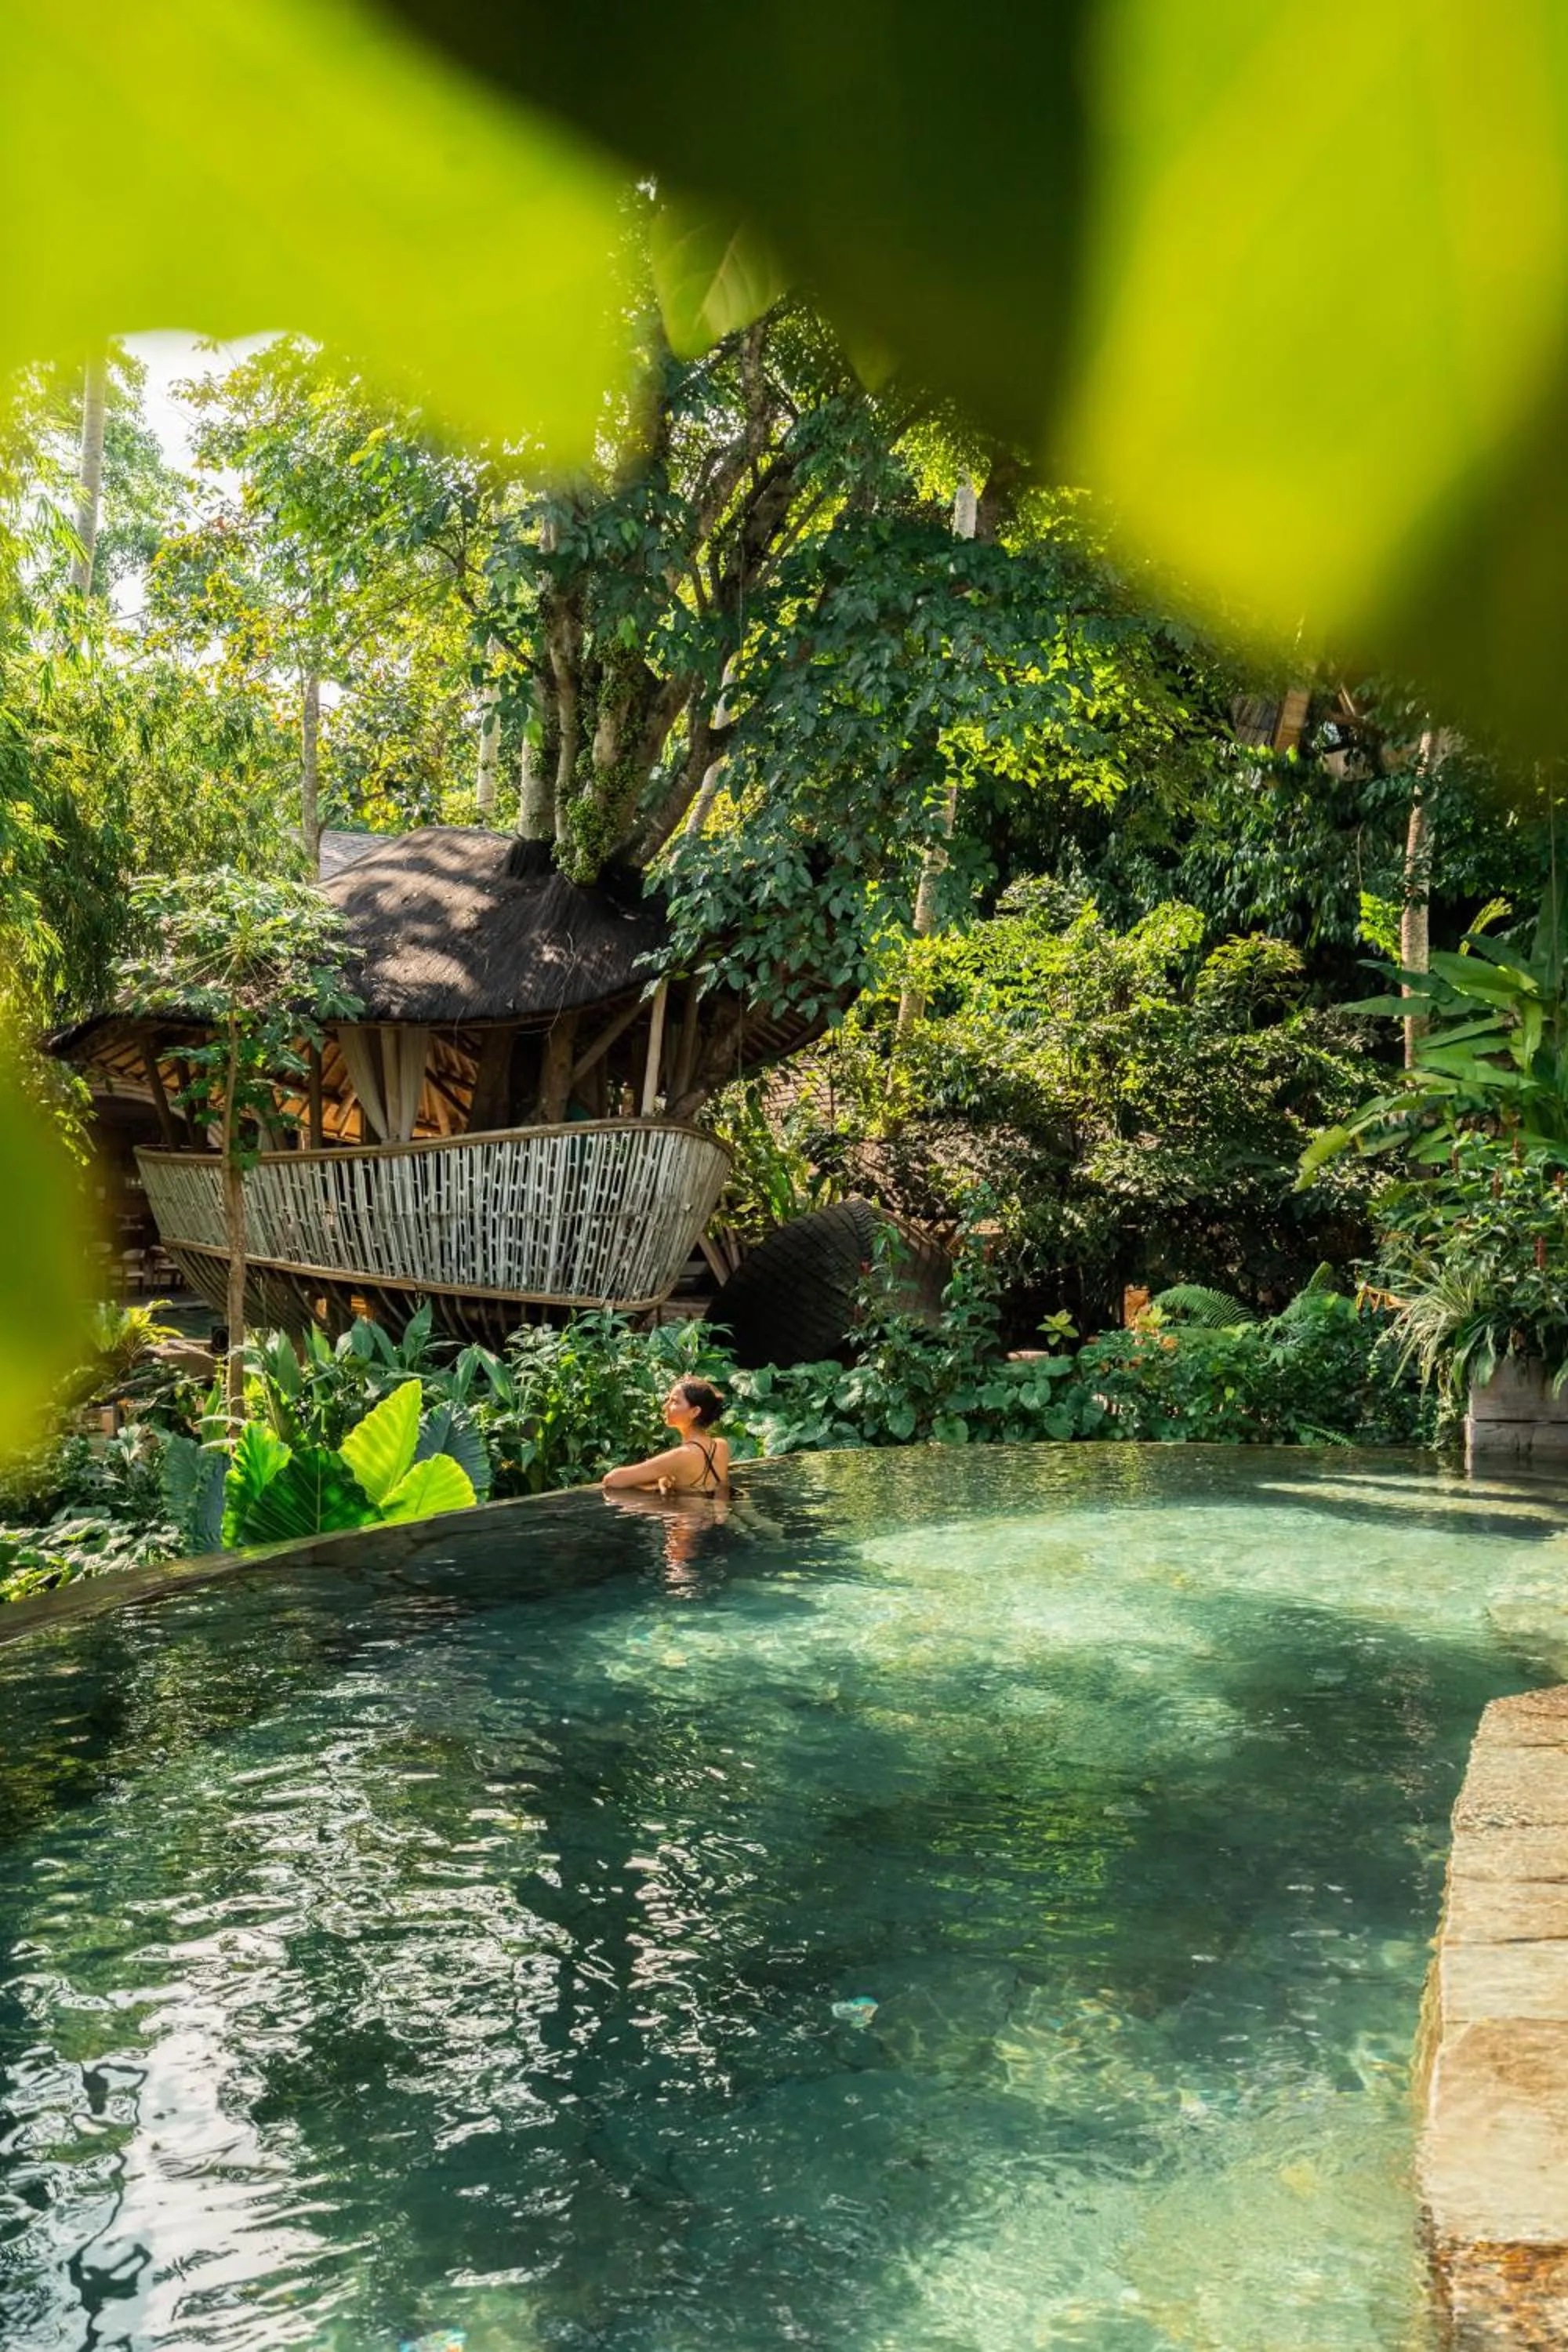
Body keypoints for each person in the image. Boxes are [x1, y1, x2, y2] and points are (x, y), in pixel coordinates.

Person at [601, 1378, 730, 1495]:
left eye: (674, 1401)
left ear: (695, 1411)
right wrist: (660, 1479)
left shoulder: (682, 1455)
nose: (665, 1406)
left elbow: (612, 1480)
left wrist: (653, 1480)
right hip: (712, 1517)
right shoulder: (721, 1446)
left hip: (688, 1519)